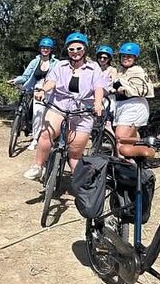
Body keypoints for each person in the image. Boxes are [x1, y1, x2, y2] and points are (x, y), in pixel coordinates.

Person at [23, 32, 106, 180]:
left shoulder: (94, 68)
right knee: (46, 133)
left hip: (82, 111)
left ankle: (80, 183)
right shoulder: (61, 66)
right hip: (59, 106)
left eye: (79, 49)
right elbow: (52, 81)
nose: (75, 52)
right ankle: (38, 166)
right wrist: (43, 90)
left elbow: (99, 87)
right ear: (67, 50)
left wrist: (98, 103)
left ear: (85, 49)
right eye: (71, 49)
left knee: (75, 153)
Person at [9, 37, 59, 150]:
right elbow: (26, 76)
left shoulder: (57, 63)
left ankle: (51, 139)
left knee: (50, 116)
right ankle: (35, 139)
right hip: (37, 90)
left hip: (52, 92)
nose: (45, 50)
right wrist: (16, 80)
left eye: (47, 48)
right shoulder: (35, 61)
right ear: (40, 48)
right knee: (37, 115)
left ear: (51, 49)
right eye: (43, 47)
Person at [113, 42, 154, 146]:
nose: (125, 58)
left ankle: (127, 160)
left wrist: (123, 89)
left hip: (134, 106)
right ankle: (138, 158)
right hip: (122, 106)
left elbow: (142, 89)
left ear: (135, 58)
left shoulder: (137, 71)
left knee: (120, 139)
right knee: (128, 140)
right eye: (123, 56)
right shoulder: (121, 71)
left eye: (129, 56)